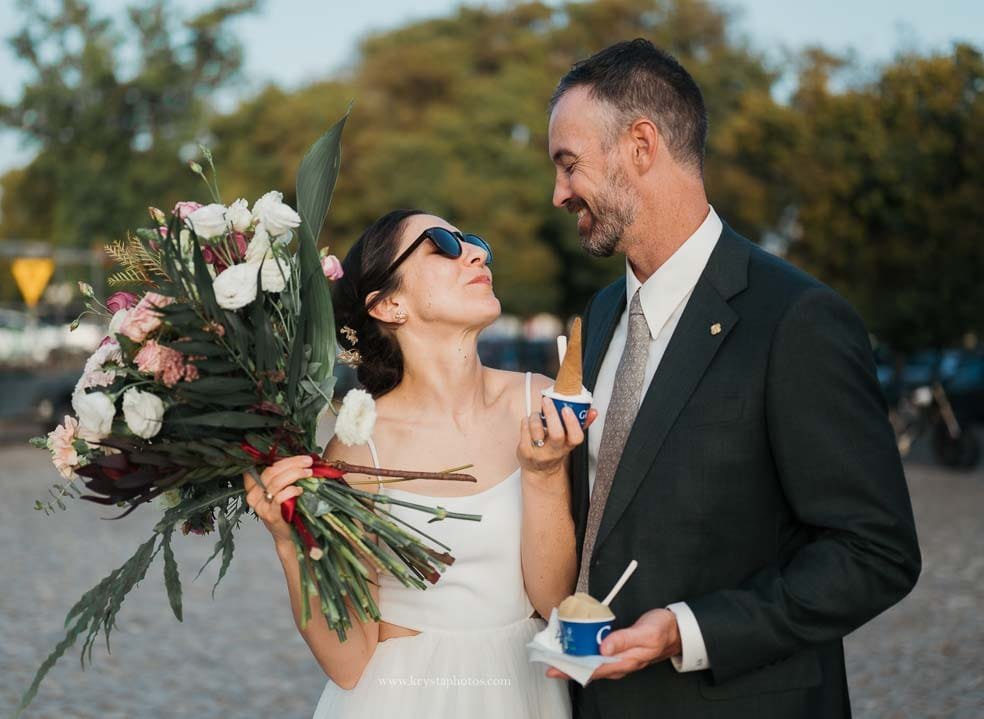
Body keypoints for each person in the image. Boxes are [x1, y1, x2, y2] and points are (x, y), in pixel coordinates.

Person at [545, 39, 921, 718]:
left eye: (568, 165)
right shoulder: (599, 316)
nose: (558, 192)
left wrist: (689, 630)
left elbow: (876, 552)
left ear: (640, 144)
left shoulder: (797, 318)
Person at [244, 210, 595, 718]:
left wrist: (541, 475)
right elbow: (348, 661)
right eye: (441, 246)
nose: (476, 253)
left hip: (525, 690)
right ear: (389, 304)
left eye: (472, 241)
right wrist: (287, 542)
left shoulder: (540, 401)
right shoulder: (358, 450)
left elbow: (554, 602)